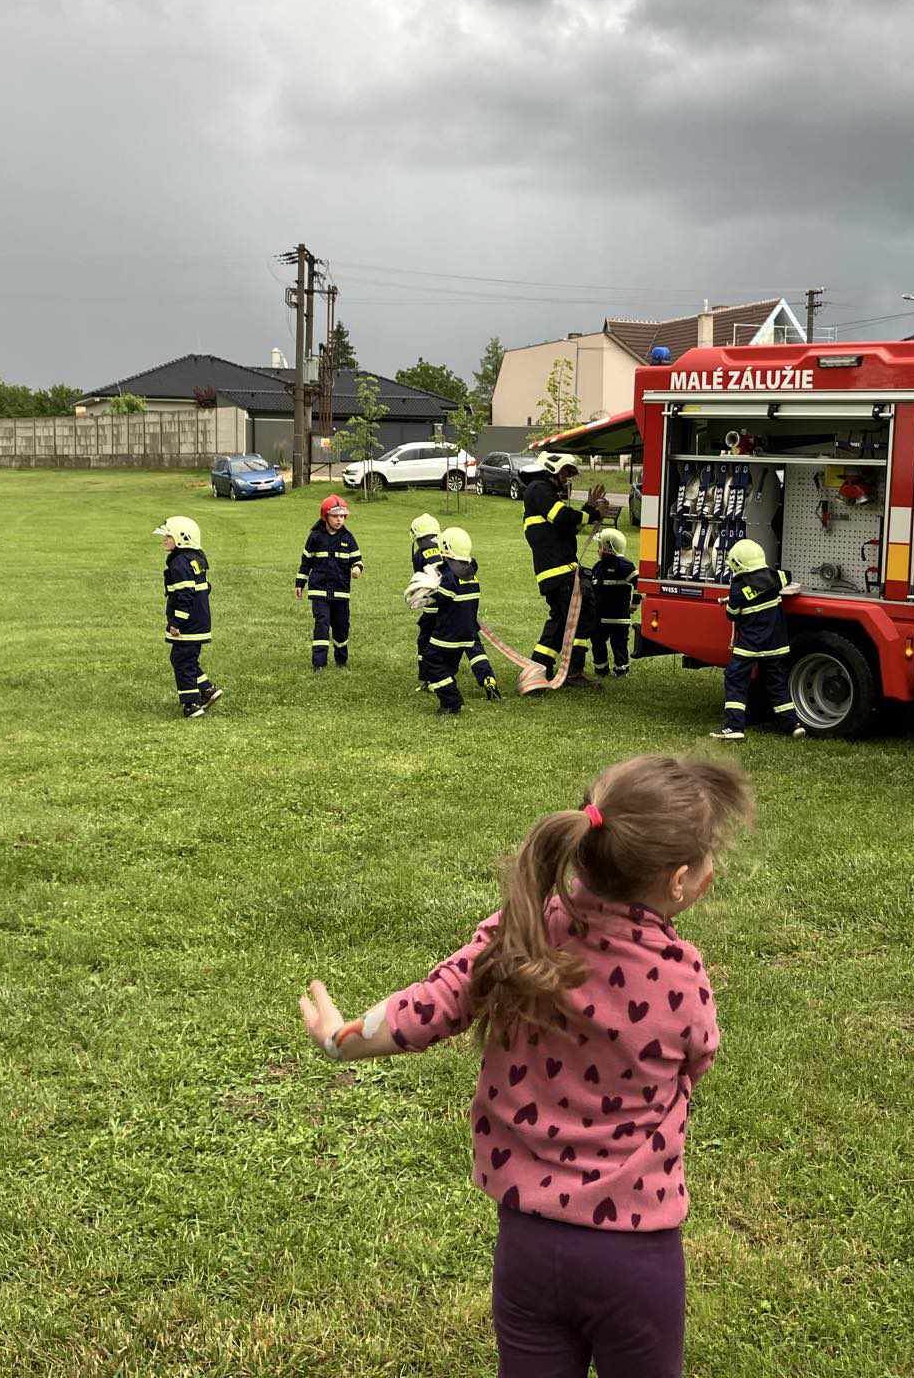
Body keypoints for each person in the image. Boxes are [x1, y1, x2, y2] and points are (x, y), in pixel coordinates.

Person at [299, 755, 755, 1378]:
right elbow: (697, 1060)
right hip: (638, 1257)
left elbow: (431, 1004)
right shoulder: (681, 976)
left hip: (529, 1245)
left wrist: (340, 1040)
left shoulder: (522, 934)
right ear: (679, 881)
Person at [520, 454, 614, 687]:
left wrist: (588, 508)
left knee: (562, 620)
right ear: (551, 468)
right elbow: (562, 517)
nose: (566, 478)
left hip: (557, 570)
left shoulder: (543, 493)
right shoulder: (538, 488)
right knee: (582, 614)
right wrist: (594, 514)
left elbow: (566, 528)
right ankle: (573, 672)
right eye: (564, 472)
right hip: (559, 570)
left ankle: (539, 667)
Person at [712, 538, 803, 741]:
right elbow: (787, 576)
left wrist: (732, 601)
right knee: (777, 684)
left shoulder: (737, 589)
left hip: (749, 647)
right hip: (776, 646)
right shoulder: (774, 577)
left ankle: (734, 726)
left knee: (735, 680)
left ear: (738, 564)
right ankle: (793, 725)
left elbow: (731, 615)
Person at [422, 526, 503, 716]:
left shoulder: (450, 577)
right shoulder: (472, 575)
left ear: (447, 548)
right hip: (467, 634)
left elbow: (440, 599)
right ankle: (465, 684)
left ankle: (451, 701)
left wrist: (427, 591)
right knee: (448, 666)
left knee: (431, 661)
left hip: (447, 634)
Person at [153, 515, 221, 717]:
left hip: (189, 625)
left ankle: (191, 704)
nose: (164, 539)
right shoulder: (194, 559)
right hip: (199, 621)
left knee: (182, 661)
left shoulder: (179, 564)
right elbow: (205, 587)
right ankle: (207, 689)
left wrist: (176, 622)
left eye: (168, 536)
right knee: (184, 659)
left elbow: (184, 595)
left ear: (183, 538)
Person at [295, 494, 362, 669]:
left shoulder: (348, 538)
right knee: (322, 625)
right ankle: (319, 664)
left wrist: (357, 568)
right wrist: (300, 583)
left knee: (341, 627)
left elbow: (357, 560)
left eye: (343, 516)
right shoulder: (315, 537)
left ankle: (341, 659)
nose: (340, 520)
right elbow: (306, 562)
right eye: (335, 516)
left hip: (341, 592)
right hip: (319, 591)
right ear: (325, 516)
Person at [590, 528, 639, 678]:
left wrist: (635, 603)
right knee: (597, 642)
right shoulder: (597, 567)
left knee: (619, 644)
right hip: (599, 617)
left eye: (600, 546)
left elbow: (640, 584)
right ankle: (601, 669)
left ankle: (621, 669)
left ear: (608, 547)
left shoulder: (625, 566)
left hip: (619, 617)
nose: (598, 550)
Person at [410, 511, 445, 689]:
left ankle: (428, 678)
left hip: (431, 607)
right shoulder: (445, 548)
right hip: (450, 605)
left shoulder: (420, 554)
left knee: (425, 641)